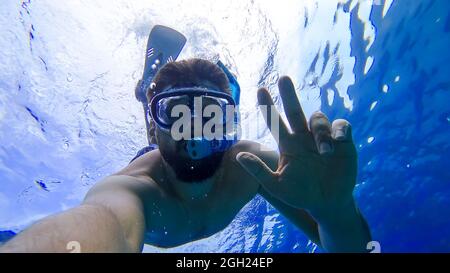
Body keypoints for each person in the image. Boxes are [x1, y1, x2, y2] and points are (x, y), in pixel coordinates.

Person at [0, 57, 371, 253]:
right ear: (156, 125)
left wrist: (335, 212)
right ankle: (146, 97)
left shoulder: (253, 167)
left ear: (230, 123)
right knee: (150, 147)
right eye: (176, 113)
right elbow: (102, 219)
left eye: (211, 114)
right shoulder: (132, 191)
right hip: (151, 156)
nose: (194, 131)